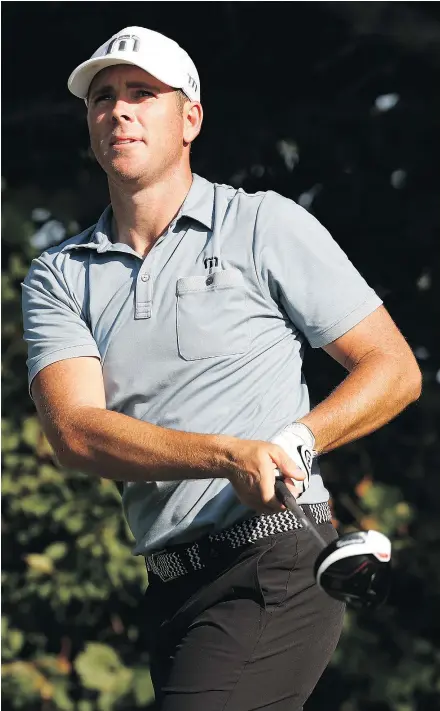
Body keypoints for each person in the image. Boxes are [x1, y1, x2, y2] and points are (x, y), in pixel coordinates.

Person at [22, 26, 422, 711]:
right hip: (171, 587)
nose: (117, 110)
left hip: (276, 564)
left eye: (142, 94)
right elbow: (77, 431)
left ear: (190, 119)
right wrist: (226, 454)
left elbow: (393, 367)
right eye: (103, 97)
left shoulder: (263, 225)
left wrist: (297, 440)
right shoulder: (59, 275)